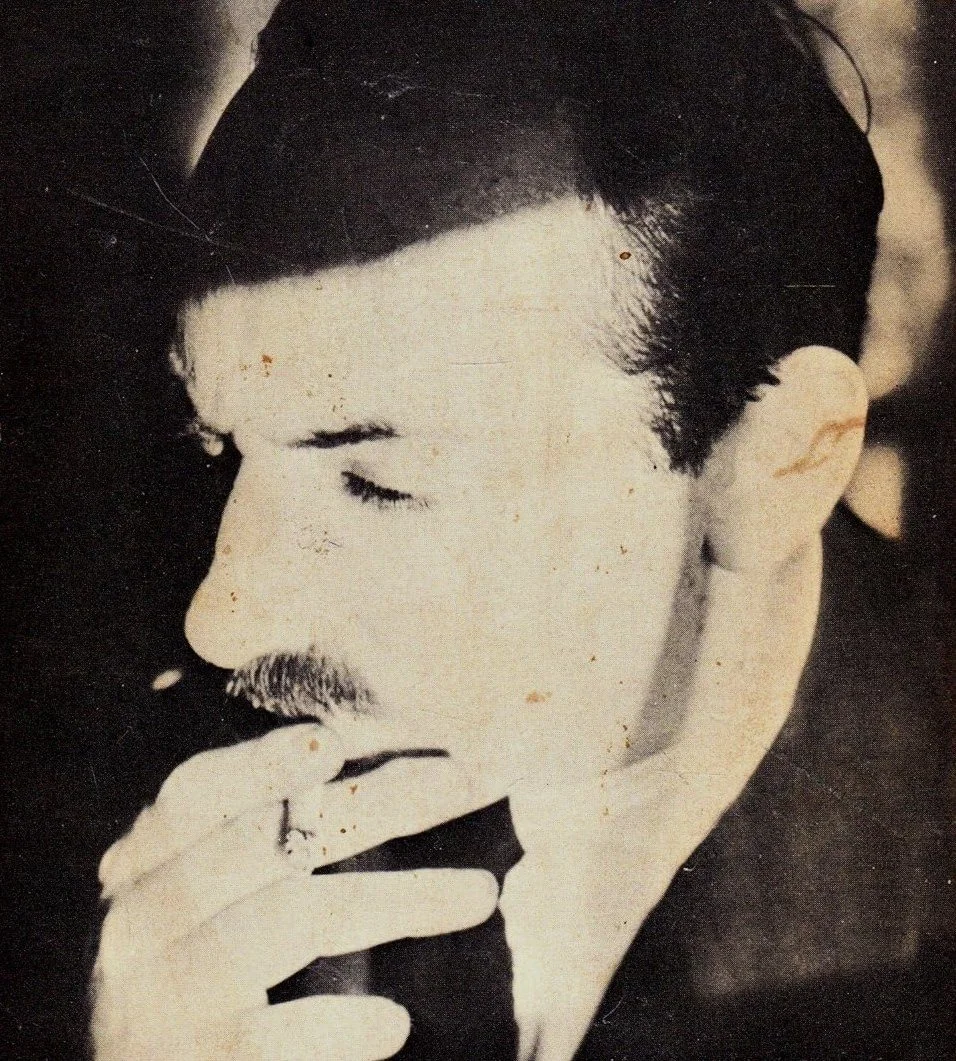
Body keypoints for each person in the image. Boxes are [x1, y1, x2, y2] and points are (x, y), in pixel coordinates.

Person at [90, 1, 883, 1058]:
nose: (222, 620)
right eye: (219, 445)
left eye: (378, 481)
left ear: (773, 464)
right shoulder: (102, 800)